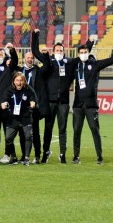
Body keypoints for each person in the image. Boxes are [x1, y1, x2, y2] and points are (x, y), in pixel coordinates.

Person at [31, 32, 92, 164]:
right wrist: (35, 35)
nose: (59, 52)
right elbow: (35, 51)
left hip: (63, 102)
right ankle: (45, 153)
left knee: (62, 129)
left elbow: (82, 56)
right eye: (57, 50)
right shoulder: (49, 61)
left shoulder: (69, 63)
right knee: (48, 128)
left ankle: (62, 154)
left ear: (64, 52)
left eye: (61, 50)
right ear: (53, 52)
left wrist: (90, 43)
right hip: (50, 101)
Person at [71, 39, 113, 165]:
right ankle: (76, 157)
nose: (83, 53)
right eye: (81, 52)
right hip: (77, 105)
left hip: (91, 105)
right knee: (77, 131)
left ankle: (99, 157)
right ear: (78, 54)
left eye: (85, 51)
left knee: (94, 129)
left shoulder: (94, 65)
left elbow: (111, 60)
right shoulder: (75, 66)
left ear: (88, 52)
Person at [15, 32, 51, 163]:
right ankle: (24, 155)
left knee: (35, 132)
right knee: (21, 132)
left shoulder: (38, 71)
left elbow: (47, 65)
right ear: (24, 59)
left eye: (32, 58)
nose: (30, 59)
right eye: (28, 58)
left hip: (33, 106)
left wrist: (46, 55)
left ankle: (37, 155)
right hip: (21, 106)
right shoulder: (19, 71)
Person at [0, 72, 37, 166]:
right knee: (8, 138)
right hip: (13, 118)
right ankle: (13, 157)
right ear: (14, 81)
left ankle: (27, 158)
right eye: (17, 80)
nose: (19, 83)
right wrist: (3, 104)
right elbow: (4, 100)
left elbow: (33, 99)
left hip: (25, 117)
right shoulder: (9, 90)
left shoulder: (28, 90)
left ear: (24, 81)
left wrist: (32, 103)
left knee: (28, 136)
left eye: (21, 80)